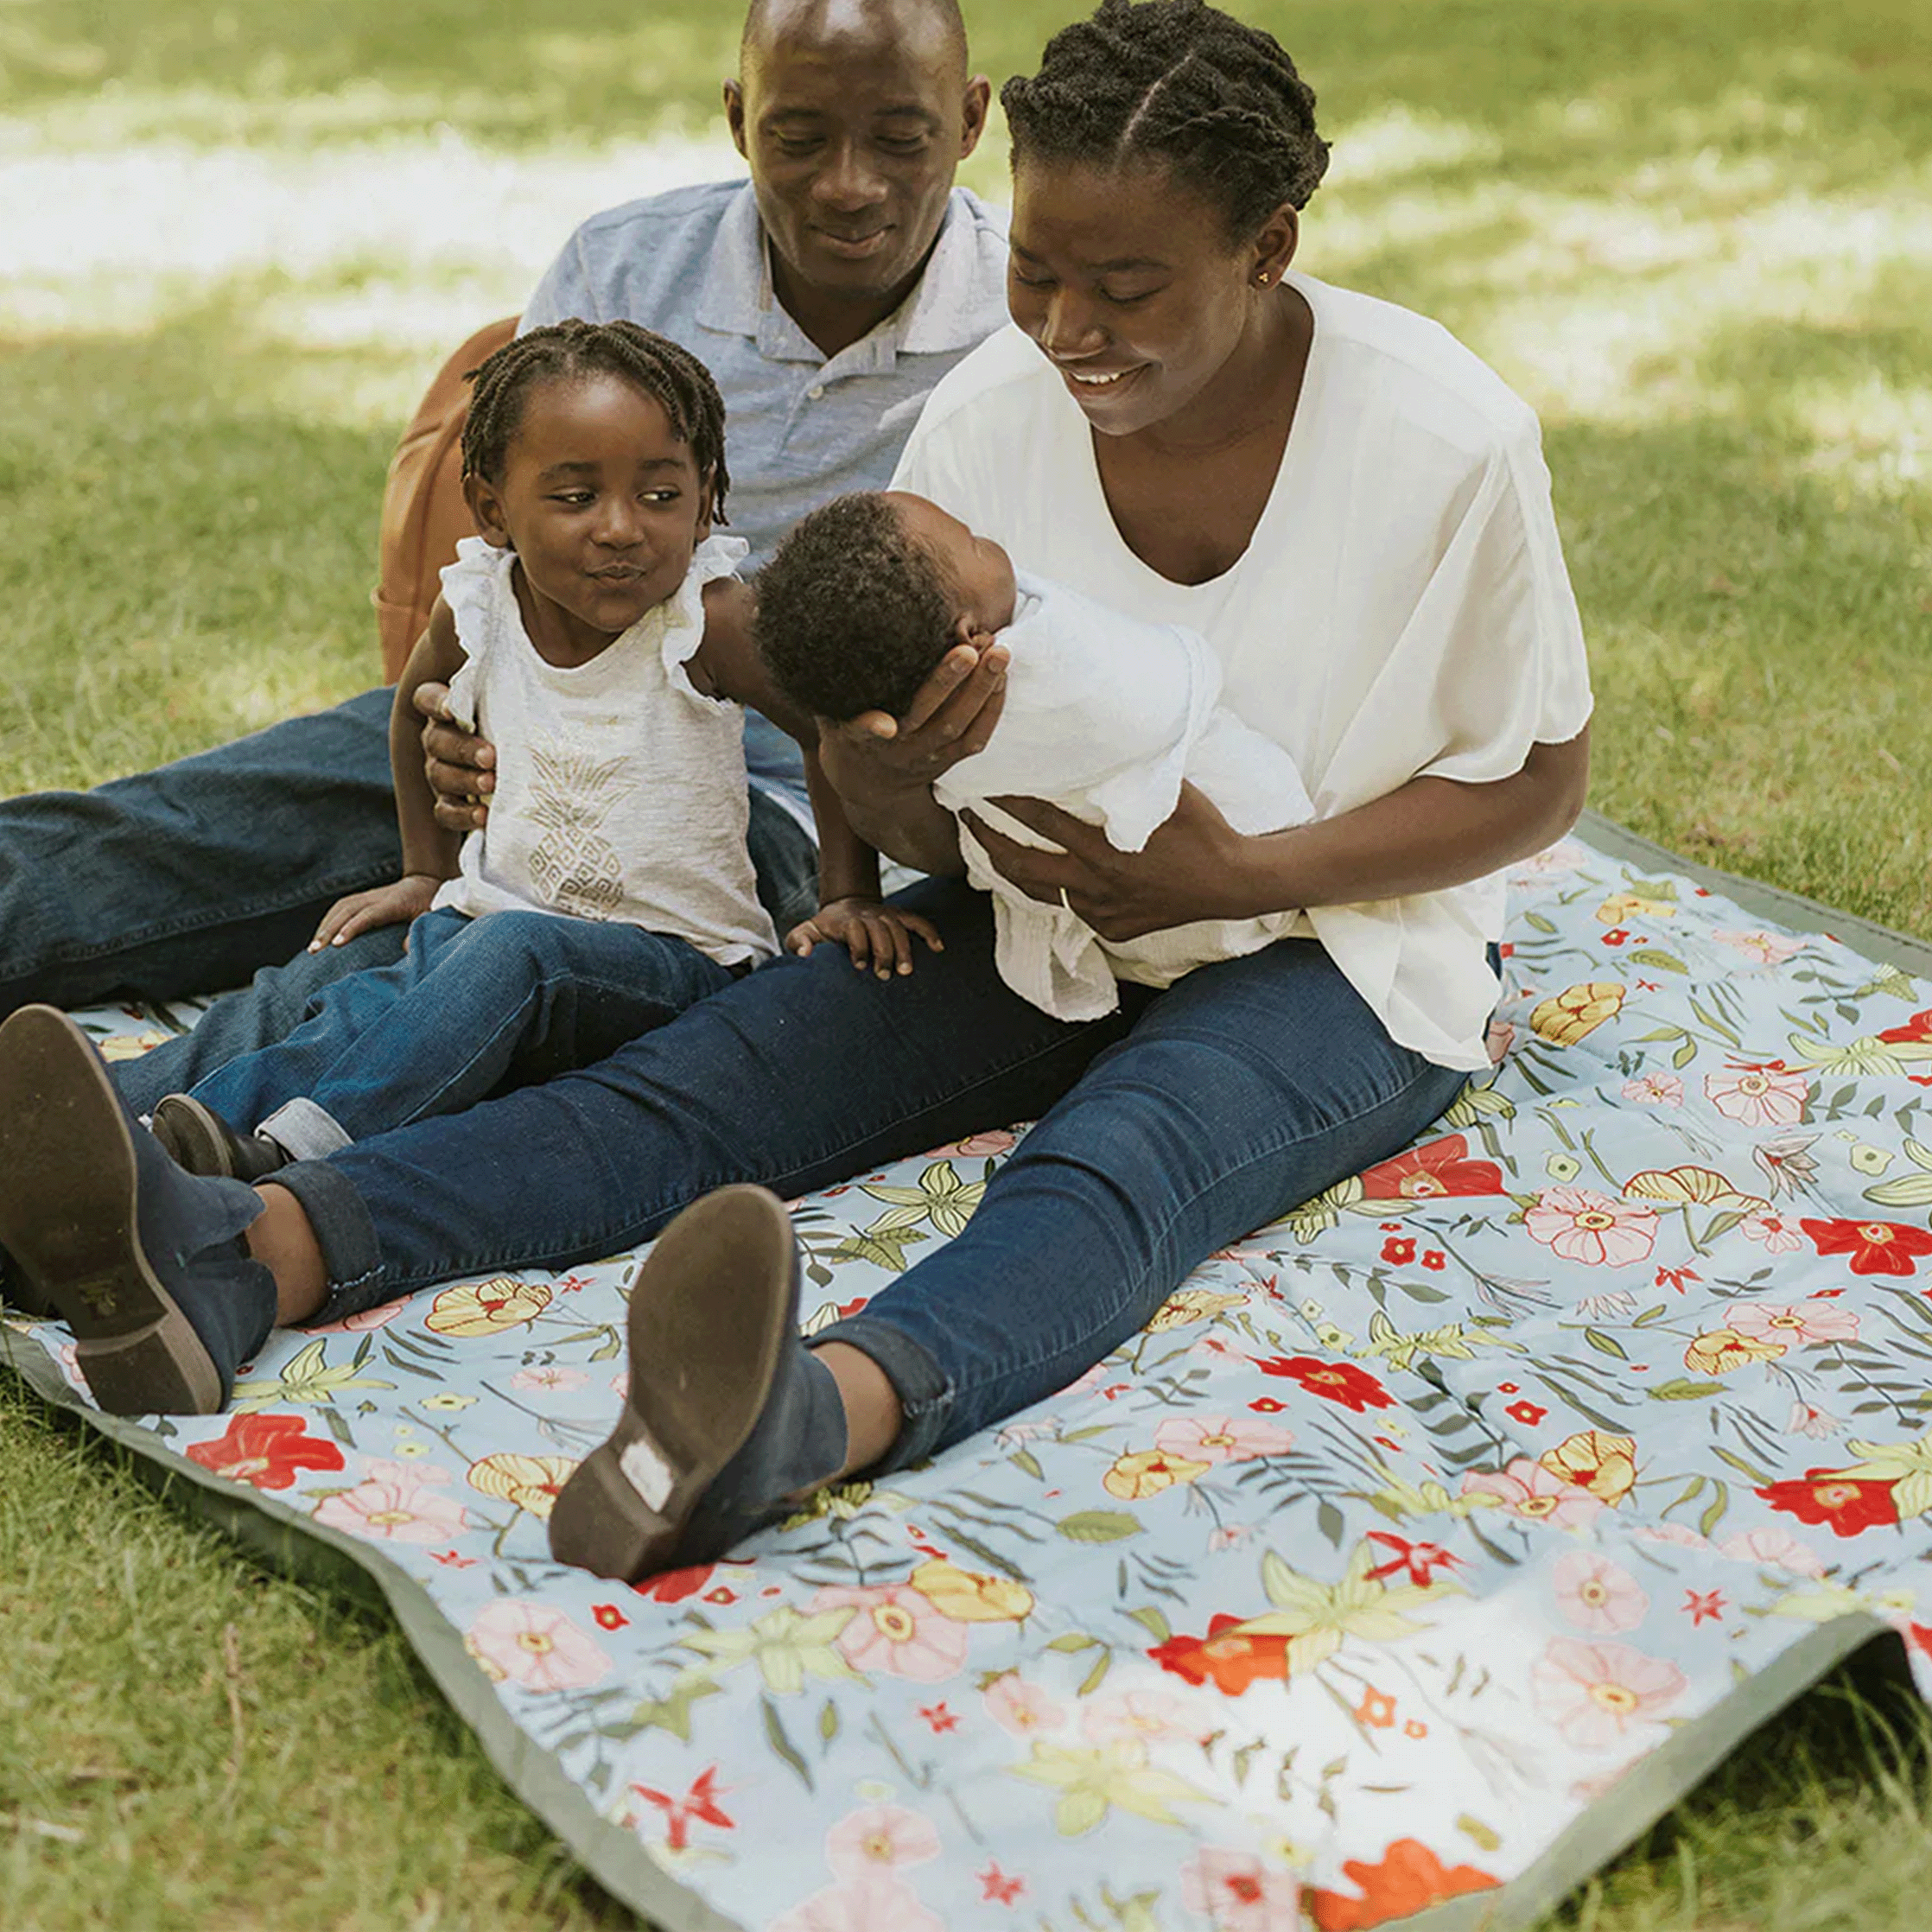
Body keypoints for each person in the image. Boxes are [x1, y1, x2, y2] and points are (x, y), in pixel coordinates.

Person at [0, 1, 1592, 1590]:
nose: (1067, 328)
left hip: (1335, 941)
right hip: (1043, 905)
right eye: (1037, 274)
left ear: (1269, 247)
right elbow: (899, 808)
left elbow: (1538, 781)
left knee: (1125, 1156)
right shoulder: (987, 416)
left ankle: (798, 1417)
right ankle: (245, 1252)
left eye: (1126, 289)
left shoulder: (1442, 438)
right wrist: (892, 780)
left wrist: (1236, 874)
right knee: (707, 1080)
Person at [0, 0, 1004, 1113]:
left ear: (969, 122)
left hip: (760, 808)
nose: (848, 185)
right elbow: (514, 530)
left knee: (405, 970)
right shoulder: (624, 262)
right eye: (799, 138)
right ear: (738, 118)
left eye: (899, 139)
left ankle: (128, 1130)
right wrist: (456, 719)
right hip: (521, 722)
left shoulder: (1028, 322)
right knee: (176, 833)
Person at [148, 322, 937, 1185]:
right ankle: (146, 1136)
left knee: (514, 951)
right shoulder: (478, 607)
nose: (621, 529)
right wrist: (424, 872)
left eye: (661, 495)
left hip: (675, 964)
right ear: (492, 508)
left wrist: (847, 894)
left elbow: (826, 730)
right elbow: (414, 711)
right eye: (575, 498)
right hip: (487, 928)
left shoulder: (704, 620)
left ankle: (295, 1153)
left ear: (706, 493)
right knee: (348, 994)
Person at [753, 487, 1313, 1020]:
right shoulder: (1050, 670)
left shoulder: (905, 719)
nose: (991, 542)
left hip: (1187, 898)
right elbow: (1173, 679)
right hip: (1243, 851)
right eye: (974, 541)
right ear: (970, 637)